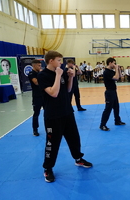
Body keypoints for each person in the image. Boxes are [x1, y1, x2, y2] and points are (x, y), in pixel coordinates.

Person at [37, 51, 92, 183]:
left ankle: (78, 159)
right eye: (59, 60)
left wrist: (71, 77)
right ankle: (48, 168)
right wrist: (58, 75)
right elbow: (53, 93)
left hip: (67, 112)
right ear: (50, 61)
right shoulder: (43, 75)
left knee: (74, 138)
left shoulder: (61, 73)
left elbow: (67, 90)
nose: (61, 63)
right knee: (52, 143)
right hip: (53, 116)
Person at [99, 57, 125, 131]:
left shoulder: (110, 71)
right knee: (108, 109)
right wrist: (116, 69)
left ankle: (117, 121)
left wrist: (119, 69)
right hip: (109, 92)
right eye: (114, 63)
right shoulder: (106, 72)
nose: (114, 64)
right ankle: (102, 125)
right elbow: (116, 78)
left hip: (114, 91)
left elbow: (119, 76)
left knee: (116, 107)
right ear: (110, 63)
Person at [28, 59, 43, 136]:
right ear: (34, 65)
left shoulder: (40, 73)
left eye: (40, 65)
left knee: (49, 112)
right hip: (37, 96)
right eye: (39, 65)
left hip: (44, 95)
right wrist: (41, 75)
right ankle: (35, 129)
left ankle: (51, 127)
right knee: (36, 113)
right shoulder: (31, 73)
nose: (40, 67)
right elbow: (36, 82)